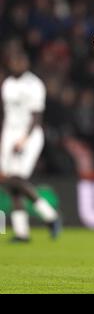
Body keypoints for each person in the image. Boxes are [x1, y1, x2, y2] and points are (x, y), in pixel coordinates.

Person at [0, 51, 61, 242]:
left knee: (16, 180)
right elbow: (6, 114)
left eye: (20, 61)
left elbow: (36, 117)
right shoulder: (8, 84)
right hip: (9, 134)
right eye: (14, 61)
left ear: (26, 63)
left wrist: (24, 139)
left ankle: (51, 215)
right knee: (10, 184)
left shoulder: (34, 85)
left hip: (29, 135)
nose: (17, 64)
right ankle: (22, 232)